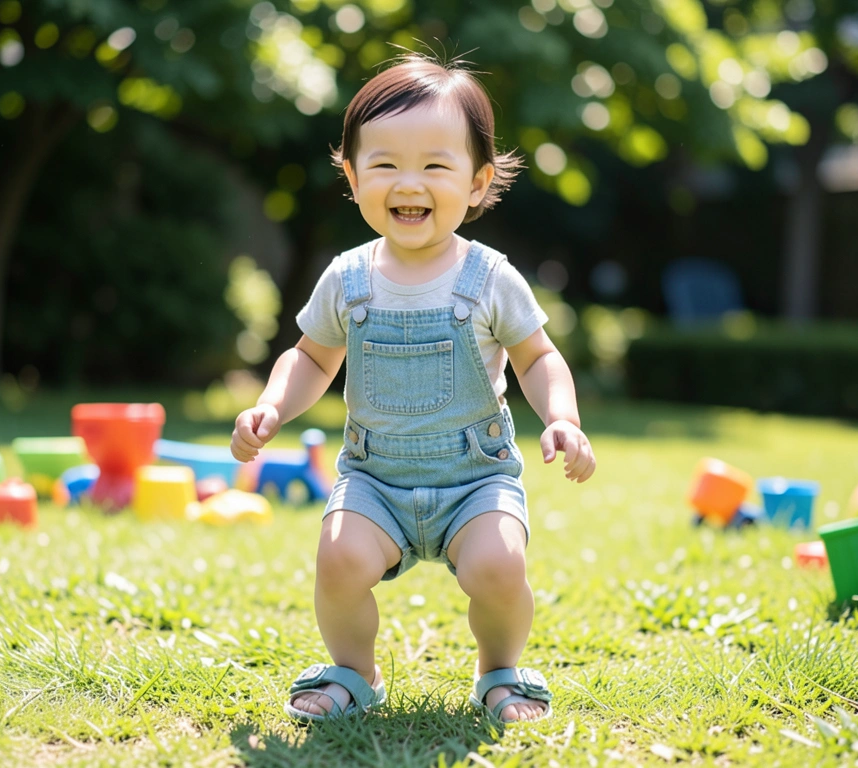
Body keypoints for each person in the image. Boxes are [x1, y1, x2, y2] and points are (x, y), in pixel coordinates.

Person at [230, 52, 596, 724]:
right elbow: (310, 358)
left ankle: (499, 671)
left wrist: (562, 418)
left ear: (477, 183)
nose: (409, 183)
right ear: (352, 176)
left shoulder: (490, 278)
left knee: (498, 567)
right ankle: (353, 672)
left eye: (434, 165)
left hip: (474, 479)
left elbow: (537, 357)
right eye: (386, 164)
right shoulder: (348, 278)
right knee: (338, 558)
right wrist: (272, 405)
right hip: (375, 479)